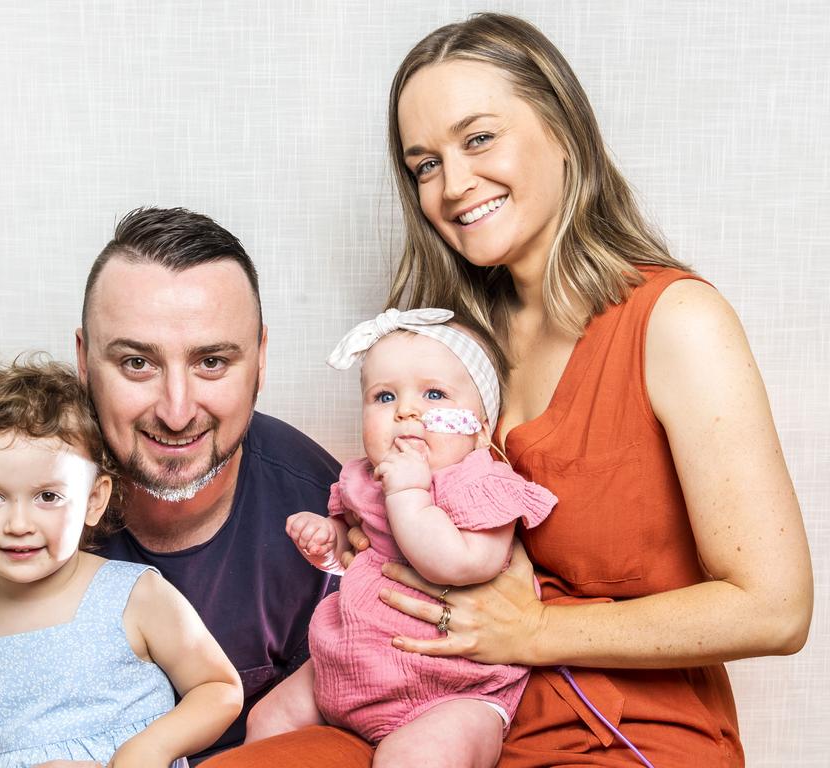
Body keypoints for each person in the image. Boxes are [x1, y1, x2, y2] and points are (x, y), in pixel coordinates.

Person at [201, 12, 813, 768]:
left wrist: (534, 633)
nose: (453, 184)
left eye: (479, 138)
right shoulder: (449, 348)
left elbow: (777, 609)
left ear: (562, 128)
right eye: (424, 163)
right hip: (415, 709)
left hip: (615, 734)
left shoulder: (676, 322)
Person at [0, 207, 341, 767]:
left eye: (212, 361)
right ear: (83, 360)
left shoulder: (324, 509)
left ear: (260, 360)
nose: (176, 411)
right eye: (136, 362)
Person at [245, 309, 557, 768]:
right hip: (349, 666)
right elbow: (357, 554)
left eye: (434, 394)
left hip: (450, 690)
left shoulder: (479, 482)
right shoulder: (367, 479)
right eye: (384, 396)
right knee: (267, 719)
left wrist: (409, 493)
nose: (407, 411)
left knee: (414, 758)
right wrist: (327, 541)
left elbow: (461, 564)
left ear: (482, 426)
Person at [0, 358, 242, 767]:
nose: (19, 524)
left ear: (94, 500)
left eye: (48, 497)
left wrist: (149, 748)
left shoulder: (134, 595)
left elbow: (218, 687)